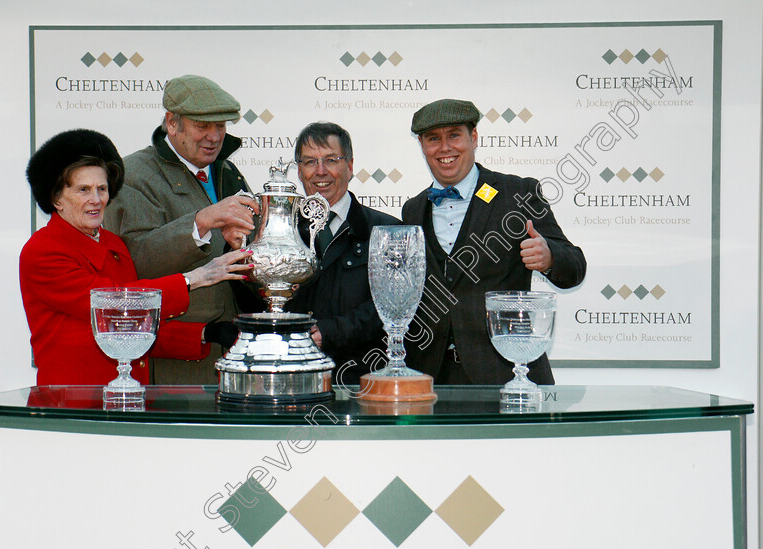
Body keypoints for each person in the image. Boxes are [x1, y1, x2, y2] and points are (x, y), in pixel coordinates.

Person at [19, 129, 253, 386]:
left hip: (126, 399)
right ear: (56, 198)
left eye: (102, 189)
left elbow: (133, 328)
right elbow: (112, 303)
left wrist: (207, 333)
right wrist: (194, 278)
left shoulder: (113, 244)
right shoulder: (43, 250)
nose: (96, 200)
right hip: (76, 401)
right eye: (83, 190)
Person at [401, 99, 587, 385]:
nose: (445, 148)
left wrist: (549, 257)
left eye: (454, 135)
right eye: (433, 139)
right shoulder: (413, 209)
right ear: (422, 146)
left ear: (473, 137)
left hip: (507, 374)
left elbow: (574, 267)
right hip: (431, 378)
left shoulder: (518, 193)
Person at [103, 75, 262, 384]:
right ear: (171, 123)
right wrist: (200, 222)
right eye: (203, 126)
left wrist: (237, 245)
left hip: (232, 349)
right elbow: (134, 262)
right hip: (177, 357)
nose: (214, 137)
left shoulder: (227, 171)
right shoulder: (134, 174)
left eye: (220, 126)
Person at [284, 122, 400, 386]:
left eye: (331, 160)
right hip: (292, 379)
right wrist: (238, 252)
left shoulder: (387, 230)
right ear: (299, 171)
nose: (320, 171)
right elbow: (255, 301)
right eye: (310, 161)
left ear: (349, 166)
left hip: (363, 379)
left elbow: (394, 307)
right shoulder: (281, 231)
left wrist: (329, 332)